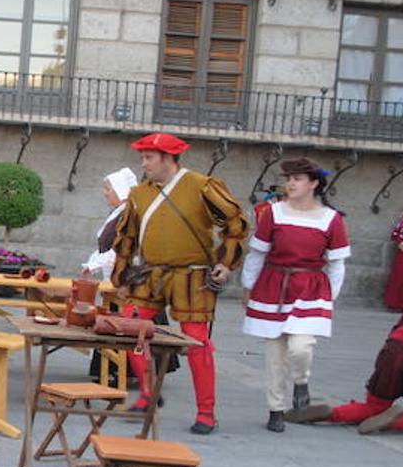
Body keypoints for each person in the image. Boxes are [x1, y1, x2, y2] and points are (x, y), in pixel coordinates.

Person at [111, 131, 248, 435]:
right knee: (132, 331)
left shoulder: (202, 186)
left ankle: (206, 413)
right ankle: (148, 394)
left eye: (148, 158)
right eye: (142, 157)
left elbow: (236, 224)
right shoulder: (139, 194)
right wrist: (121, 277)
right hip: (149, 273)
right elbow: (127, 238)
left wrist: (225, 264)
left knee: (197, 342)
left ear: (168, 158)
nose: (143, 163)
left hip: (193, 275)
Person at [242, 158, 349, 432]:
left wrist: (329, 298)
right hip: (273, 285)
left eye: (298, 179)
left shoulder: (331, 219)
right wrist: (248, 287)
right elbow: (257, 254)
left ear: (314, 184)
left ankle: (302, 381)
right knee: (274, 355)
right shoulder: (274, 213)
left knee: (301, 346)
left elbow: (337, 264)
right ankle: (276, 409)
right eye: (288, 178)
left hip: (310, 288)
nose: (290, 183)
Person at [289, 294, 403, 435]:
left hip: (396, 345)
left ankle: (333, 413)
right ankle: (396, 421)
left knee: (375, 406)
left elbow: (399, 327)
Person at [81, 167, 138, 282]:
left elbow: (120, 250)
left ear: (119, 190)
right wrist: (90, 265)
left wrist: (92, 266)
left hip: (123, 279)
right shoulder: (118, 212)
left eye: (108, 189)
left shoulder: (129, 215)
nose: (105, 193)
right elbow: (105, 248)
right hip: (111, 277)